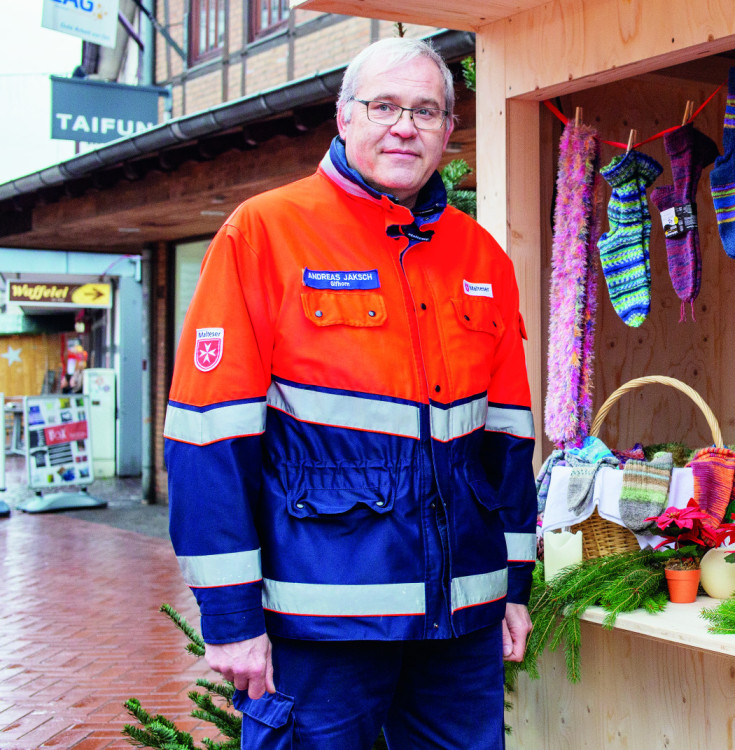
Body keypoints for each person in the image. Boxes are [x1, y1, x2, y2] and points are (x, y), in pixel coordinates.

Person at [163, 38, 535, 749]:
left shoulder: (481, 255)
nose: (405, 125)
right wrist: (231, 619)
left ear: (448, 132)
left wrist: (513, 586)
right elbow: (208, 437)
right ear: (343, 117)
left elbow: (508, 439)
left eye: (426, 110)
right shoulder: (264, 234)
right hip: (320, 616)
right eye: (384, 106)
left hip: (460, 621)